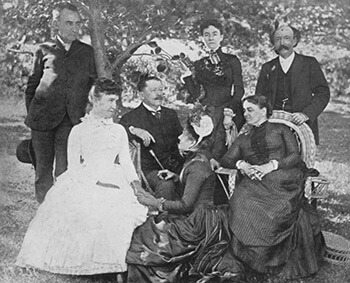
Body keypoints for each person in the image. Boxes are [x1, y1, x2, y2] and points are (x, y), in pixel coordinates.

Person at [16, 78, 148, 277]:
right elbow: (74, 166)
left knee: (121, 212)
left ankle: (115, 265)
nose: (115, 106)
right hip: (84, 180)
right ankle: (85, 263)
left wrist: (136, 185)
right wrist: (92, 184)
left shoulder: (118, 130)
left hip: (115, 179)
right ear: (95, 99)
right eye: (110, 100)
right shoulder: (78, 131)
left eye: (116, 101)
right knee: (85, 211)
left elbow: (127, 163)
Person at [126, 104, 244, 283]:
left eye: (184, 136)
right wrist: (176, 177)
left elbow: (186, 205)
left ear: (193, 143)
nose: (179, 137)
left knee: (148, 232)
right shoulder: (195, 159)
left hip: (196, 222)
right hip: (196, 214)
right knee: (149, 228)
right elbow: (194, 186)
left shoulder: (197, 166)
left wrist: (154, 202)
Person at [220, 95, 325, 280]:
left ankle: (272, 260)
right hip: (255, 180)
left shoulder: (281, 129)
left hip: (283, 176)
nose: (245, 114)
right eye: (244, 110)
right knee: (241, 200)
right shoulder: (244, 137)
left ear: (263, 110)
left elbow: (294, 156)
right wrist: (242, 165)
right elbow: (226, 159)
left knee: (276, 203)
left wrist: (272, 166)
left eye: (250, 110)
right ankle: (253, 261)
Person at [24, 3, 97, 203]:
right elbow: (32, 85)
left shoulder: (88, 53)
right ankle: (44, 216)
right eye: (69, 23)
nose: (75, 28)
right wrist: (33, 112)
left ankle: (62, 215)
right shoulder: (43, 49)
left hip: (71, 120)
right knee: (42, 172)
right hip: (42, 120)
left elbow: (95, 86)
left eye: (78, 23)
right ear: (56, 24)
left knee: (64, 172)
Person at [182, 19, 245, 163]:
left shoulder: (232, 60)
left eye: (214, 34)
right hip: (206, 111)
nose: (211, 38)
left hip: (228, 109)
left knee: (223, 151)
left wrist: (229, 112)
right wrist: (186, 76)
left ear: (221, 37)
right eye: (207, 34)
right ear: (202, 38)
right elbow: (197, 94)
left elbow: (239, 90)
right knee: (200, 152)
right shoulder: (199, 64)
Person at [255, 23, 330, 145]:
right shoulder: (267, 68)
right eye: (278, 39)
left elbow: (323, 93)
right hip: (274, 125)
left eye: (287, 38)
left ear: (295, 41)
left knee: (300, 162)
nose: (282, 42)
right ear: (273, 43)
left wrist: (306, 114)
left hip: (302, 124)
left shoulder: (309, 63)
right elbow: (259, 98)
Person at [119, 74, 184, 201]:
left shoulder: (171, 114)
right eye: (153, 90)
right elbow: (119, 132)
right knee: (166, 185)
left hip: (175, 165)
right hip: (150, 170)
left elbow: (181, 140)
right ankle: (162, 218)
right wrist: (133, 130)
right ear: (141, 95)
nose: (159, 94)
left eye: (160, 90)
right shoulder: (131, 118)